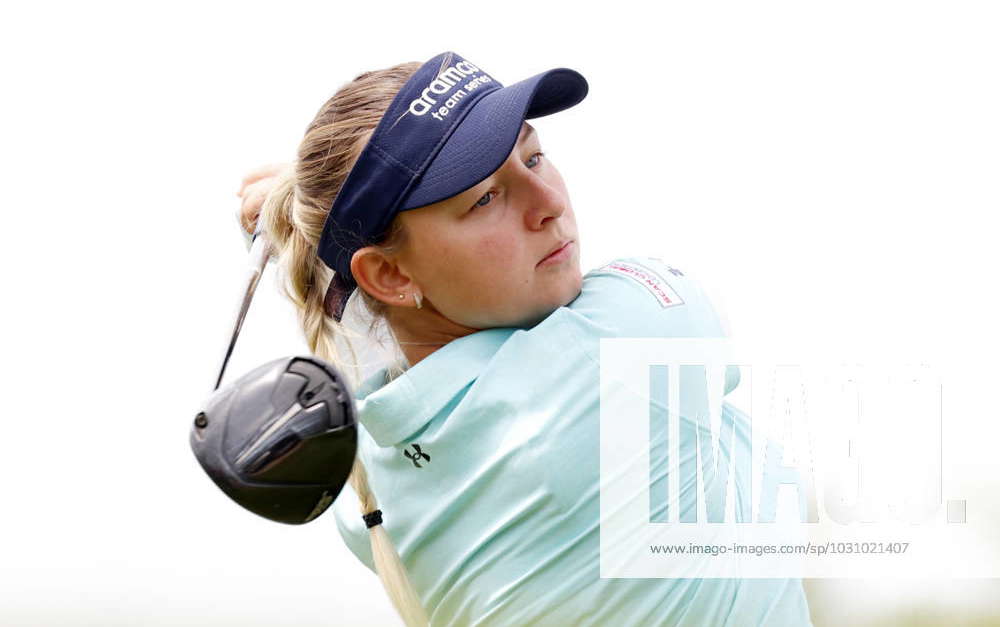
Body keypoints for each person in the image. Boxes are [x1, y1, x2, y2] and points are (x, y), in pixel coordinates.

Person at [236, 51, 814, 627]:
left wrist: (306, 224)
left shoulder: (366, 498)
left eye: (533, 156)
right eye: (484, 197)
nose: (549, 203)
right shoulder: (631, 336)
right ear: (390, 275)